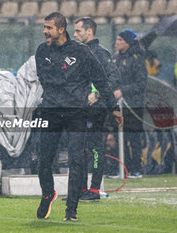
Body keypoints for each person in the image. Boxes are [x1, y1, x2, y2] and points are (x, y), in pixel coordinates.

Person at [35, 12, 123, 221]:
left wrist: (113, 107)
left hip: (76, 112)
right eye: (44, 27)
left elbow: (101, 79)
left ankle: (71, 210)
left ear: (60, 30)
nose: (45, 31)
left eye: (49, 28)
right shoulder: (41, 51)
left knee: (76, 159)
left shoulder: (82, 52)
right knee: (43, 160)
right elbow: (43, 78)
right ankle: (48, 193)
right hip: (51, 110)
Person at [73, 17, 121, 201]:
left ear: (89, 32)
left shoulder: (100, 53)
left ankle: (93, 190)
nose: (75, 34)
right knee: (80, 148)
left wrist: (98, 95)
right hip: (81, 108)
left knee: (94, 147)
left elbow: (114, 79)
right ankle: (81, 189)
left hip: (96, 109)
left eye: (78, 31)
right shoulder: (79, 52)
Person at [112, 29, 148, 178]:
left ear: (127, 42)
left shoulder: (137, 59)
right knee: (119, 137)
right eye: (117, 39)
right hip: (117, 105)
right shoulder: (115, 59)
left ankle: (136, 169)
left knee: (133, 138)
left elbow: (141, 84)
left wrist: (123, 91)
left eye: (121, 40)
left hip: (133, 105)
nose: (118, 42)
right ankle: (121, 168)